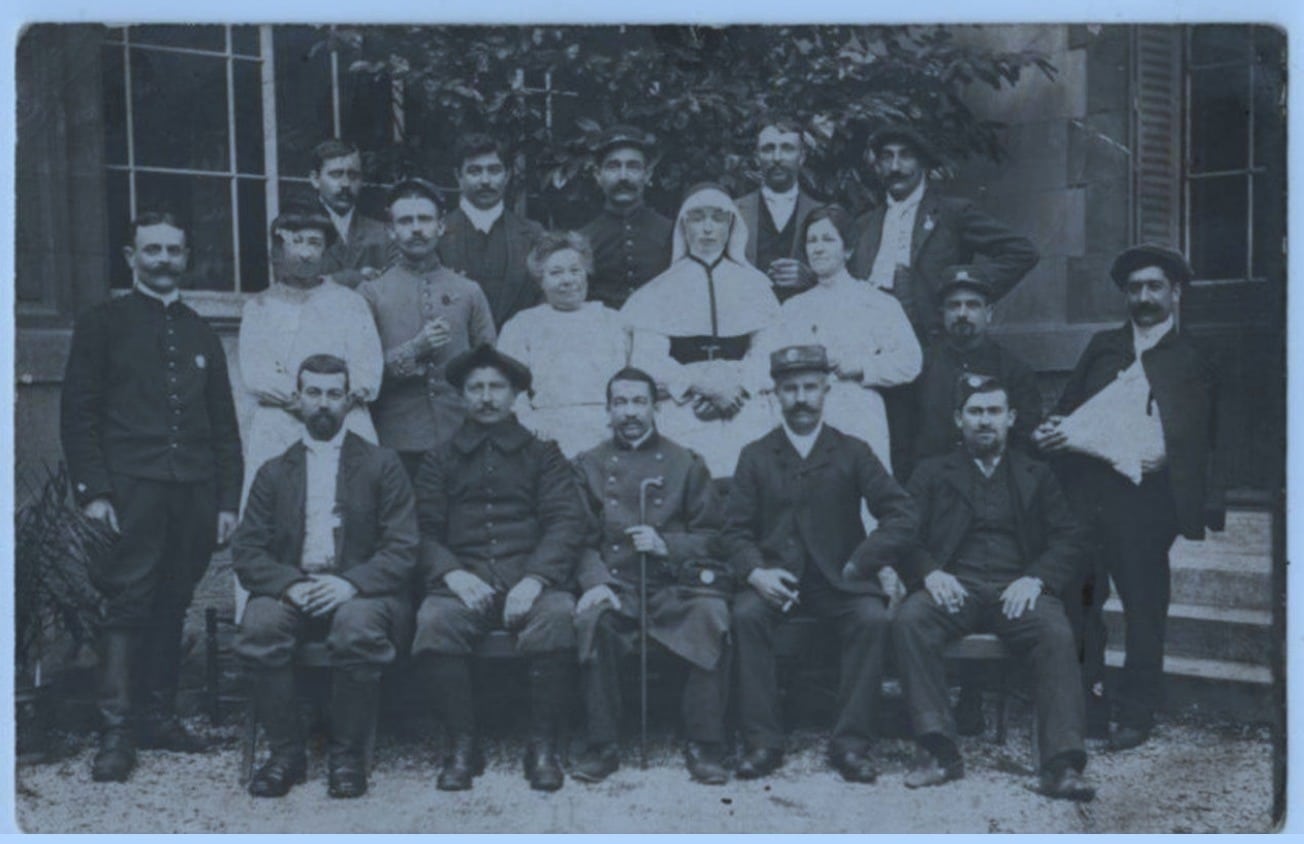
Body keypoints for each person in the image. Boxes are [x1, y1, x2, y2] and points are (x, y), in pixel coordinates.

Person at [60, 212, 243, 782]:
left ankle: (156, 716)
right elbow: (78, 414)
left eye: (174, 250)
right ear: (130, 256)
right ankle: (115, 729)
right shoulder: (103, 322)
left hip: (192, 490)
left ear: (186, 258)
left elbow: (223, 424)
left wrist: (226, 501)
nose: (163, 259)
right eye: (152, 250)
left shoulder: (200, 330)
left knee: (172, 598)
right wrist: (94, 491)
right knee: (127, 599)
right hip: (131, 487)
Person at [1034, 244, 1223, 751]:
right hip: (1087, 496)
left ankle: (1138, 712)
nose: (1144, 296)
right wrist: (1055, 429)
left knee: (1144, 606)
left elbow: (1209, 434)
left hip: (1146, 505)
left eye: (1154, 286)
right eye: (1135, 288)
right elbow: (1070, 408)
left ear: (1175, 293)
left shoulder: (1193, 358)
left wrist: (1186, 477)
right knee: (1081, 602)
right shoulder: (1103, 346)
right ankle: (1087, 706)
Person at [889, 375, 1094, 801]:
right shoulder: (930, 472)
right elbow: (901, 532)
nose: (985, 422)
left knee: (1056, 633)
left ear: (1011, 418)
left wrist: (1035, 578)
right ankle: (937, 750)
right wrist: (929, 572)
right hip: (954, 587)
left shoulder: (1037, 473)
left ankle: (1061, 764)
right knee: (911, 620)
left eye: (994, 412)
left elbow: (1068, 538)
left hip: (1015, 589)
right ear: (958, 419)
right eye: (975, 412)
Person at [723, 344, 918, 783]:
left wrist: (864, 560)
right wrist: (756, 572)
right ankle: (762, 742)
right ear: (775, 395)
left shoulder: (852, 451)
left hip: (840, 581)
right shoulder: (755, 455)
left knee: (871, 618)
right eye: (790, 389)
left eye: (810, 387)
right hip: (777, 581)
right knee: (746, 615)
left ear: (827, 391)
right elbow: (733, 530)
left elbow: (902, 513)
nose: (801, 398)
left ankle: (851, 744)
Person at [232, 355, 417, 799]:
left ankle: (347, 756)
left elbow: (404, 547)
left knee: (356, 629)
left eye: (334, 394)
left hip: (360, 590)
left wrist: (349, 583)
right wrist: (290, 584)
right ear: (297, 399)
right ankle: (285, 755)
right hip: (293, 587)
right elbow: (247, 550)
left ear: (350, 401)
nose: (323, 404)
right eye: (313, 393)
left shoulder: (381, 464)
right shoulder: (275, 471)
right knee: (259, 626)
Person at [411, 344, 585, 792]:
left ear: (514, 395)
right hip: (464, 580)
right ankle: (463, 745)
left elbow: (565, 521)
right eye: (475, 388)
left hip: (529, 578)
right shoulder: (439, 458)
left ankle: (543, 745)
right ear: (461, 396)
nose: (486, 397)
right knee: (435, 620)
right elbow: (420, 530)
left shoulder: (543, 455)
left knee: (558, 616)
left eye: (496, 388)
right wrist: (452, 574)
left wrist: (536, 578)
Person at [571, 368, 732, 785]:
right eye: (620, 403)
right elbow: (577, 537)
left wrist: (668, 546)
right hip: (618, 584)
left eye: (638, 402)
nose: (630, 412)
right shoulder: (587, 465)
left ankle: (704, 742)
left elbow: (714, 538)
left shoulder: (686, 463)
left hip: (673, 585)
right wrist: (596, 583)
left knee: (710, 612)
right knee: (595, 620)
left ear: (655, 408)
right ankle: (602, 744)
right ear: (607, 410)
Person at [621, 182, 781, 478]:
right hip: (684, 405)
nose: (708, 228)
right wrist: (700, 387)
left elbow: (767, 353)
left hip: (744, 402)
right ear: (684, 225)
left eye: (717, 218)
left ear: (731, 224)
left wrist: (736, 389)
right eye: (698, 218)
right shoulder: (658, 292)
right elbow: (647, 361)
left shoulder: (756, 286)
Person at [756, 204, 920, 474]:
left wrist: (861, 366)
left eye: (828, 239)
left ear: (848, 249)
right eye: (811, 241)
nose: (818, 248)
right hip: (802, 418)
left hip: (858, 413)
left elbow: (910, 361)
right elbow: (767, 365)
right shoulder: (792, 308)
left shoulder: (875, 302)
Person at [237, 208, 383, 506]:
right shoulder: (259, 308)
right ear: (279, 248)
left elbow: (367, 368)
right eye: (296, 242)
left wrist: (333, 404)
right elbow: (257, 371)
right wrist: (304, 405)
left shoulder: (350, 303)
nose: (305, 253)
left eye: (314, 243)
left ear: (326, 250)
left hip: (342, 417)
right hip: (282, 420)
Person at [847, 124, 1040, 341]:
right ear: (878, 166)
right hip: (872, 342)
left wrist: (968, 286)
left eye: (905, 156)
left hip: (931, 342)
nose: (895, 167)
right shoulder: (865, 224)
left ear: (923, 163)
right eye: (886, 157)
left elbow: (1021, 252)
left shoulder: (952, 213)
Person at [359, 178, 496, 478]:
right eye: (406, 221)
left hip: (462, 438)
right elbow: (362, 375)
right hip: (396, 441)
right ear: (391, 231)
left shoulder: (469, 290)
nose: (417, 228)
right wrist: (415, 349)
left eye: (425, 219)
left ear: (441, 226)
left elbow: (489, 367)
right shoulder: (372, 293)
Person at [495, 231, 630, 457]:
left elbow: (631, 382)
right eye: (556, 273)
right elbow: (509, 388)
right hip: (547, 434)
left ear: (586, 274)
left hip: (608, 430)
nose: (568, 280)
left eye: (575, 270)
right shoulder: (522, 325)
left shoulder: (613, 321)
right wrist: (532, 427)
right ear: (541, 280)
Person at [907, 264, 1042, 481]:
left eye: (972, 305)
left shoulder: (1014, 370)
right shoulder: (918, 366)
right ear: (942, 314)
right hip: (932, 487)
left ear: (988, 313)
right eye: (954, 305)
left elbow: (1024, 441)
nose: (962, 313)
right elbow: (903, 436)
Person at [438, 133, 546, 328]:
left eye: (494, 170)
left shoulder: (533, 235)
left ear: (508, 175)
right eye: (475, 171)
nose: (485, 181)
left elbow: (544, 301)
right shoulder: (437, 234)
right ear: (458, 176)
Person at [578, 124, 674, 309]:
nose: (623, 176)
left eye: (633, 167)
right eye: (613, 167)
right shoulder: (583, 239)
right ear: (598, 175)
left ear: (647, 175)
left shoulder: (671, 232)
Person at [734, 117, 822, 302]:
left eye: (787, 148)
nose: (777, 158)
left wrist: (811, 278)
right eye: (768, 149)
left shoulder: (822, 214)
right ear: (757, 158)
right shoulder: (734, 211)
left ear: (802, 157)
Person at [309, 139, 392, 288]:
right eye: (336, 174)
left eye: (353, 175)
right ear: (315, 179)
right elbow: (296, 287)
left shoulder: (384, 234)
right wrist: (357, 277)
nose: (345, 184)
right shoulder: (297, 231)